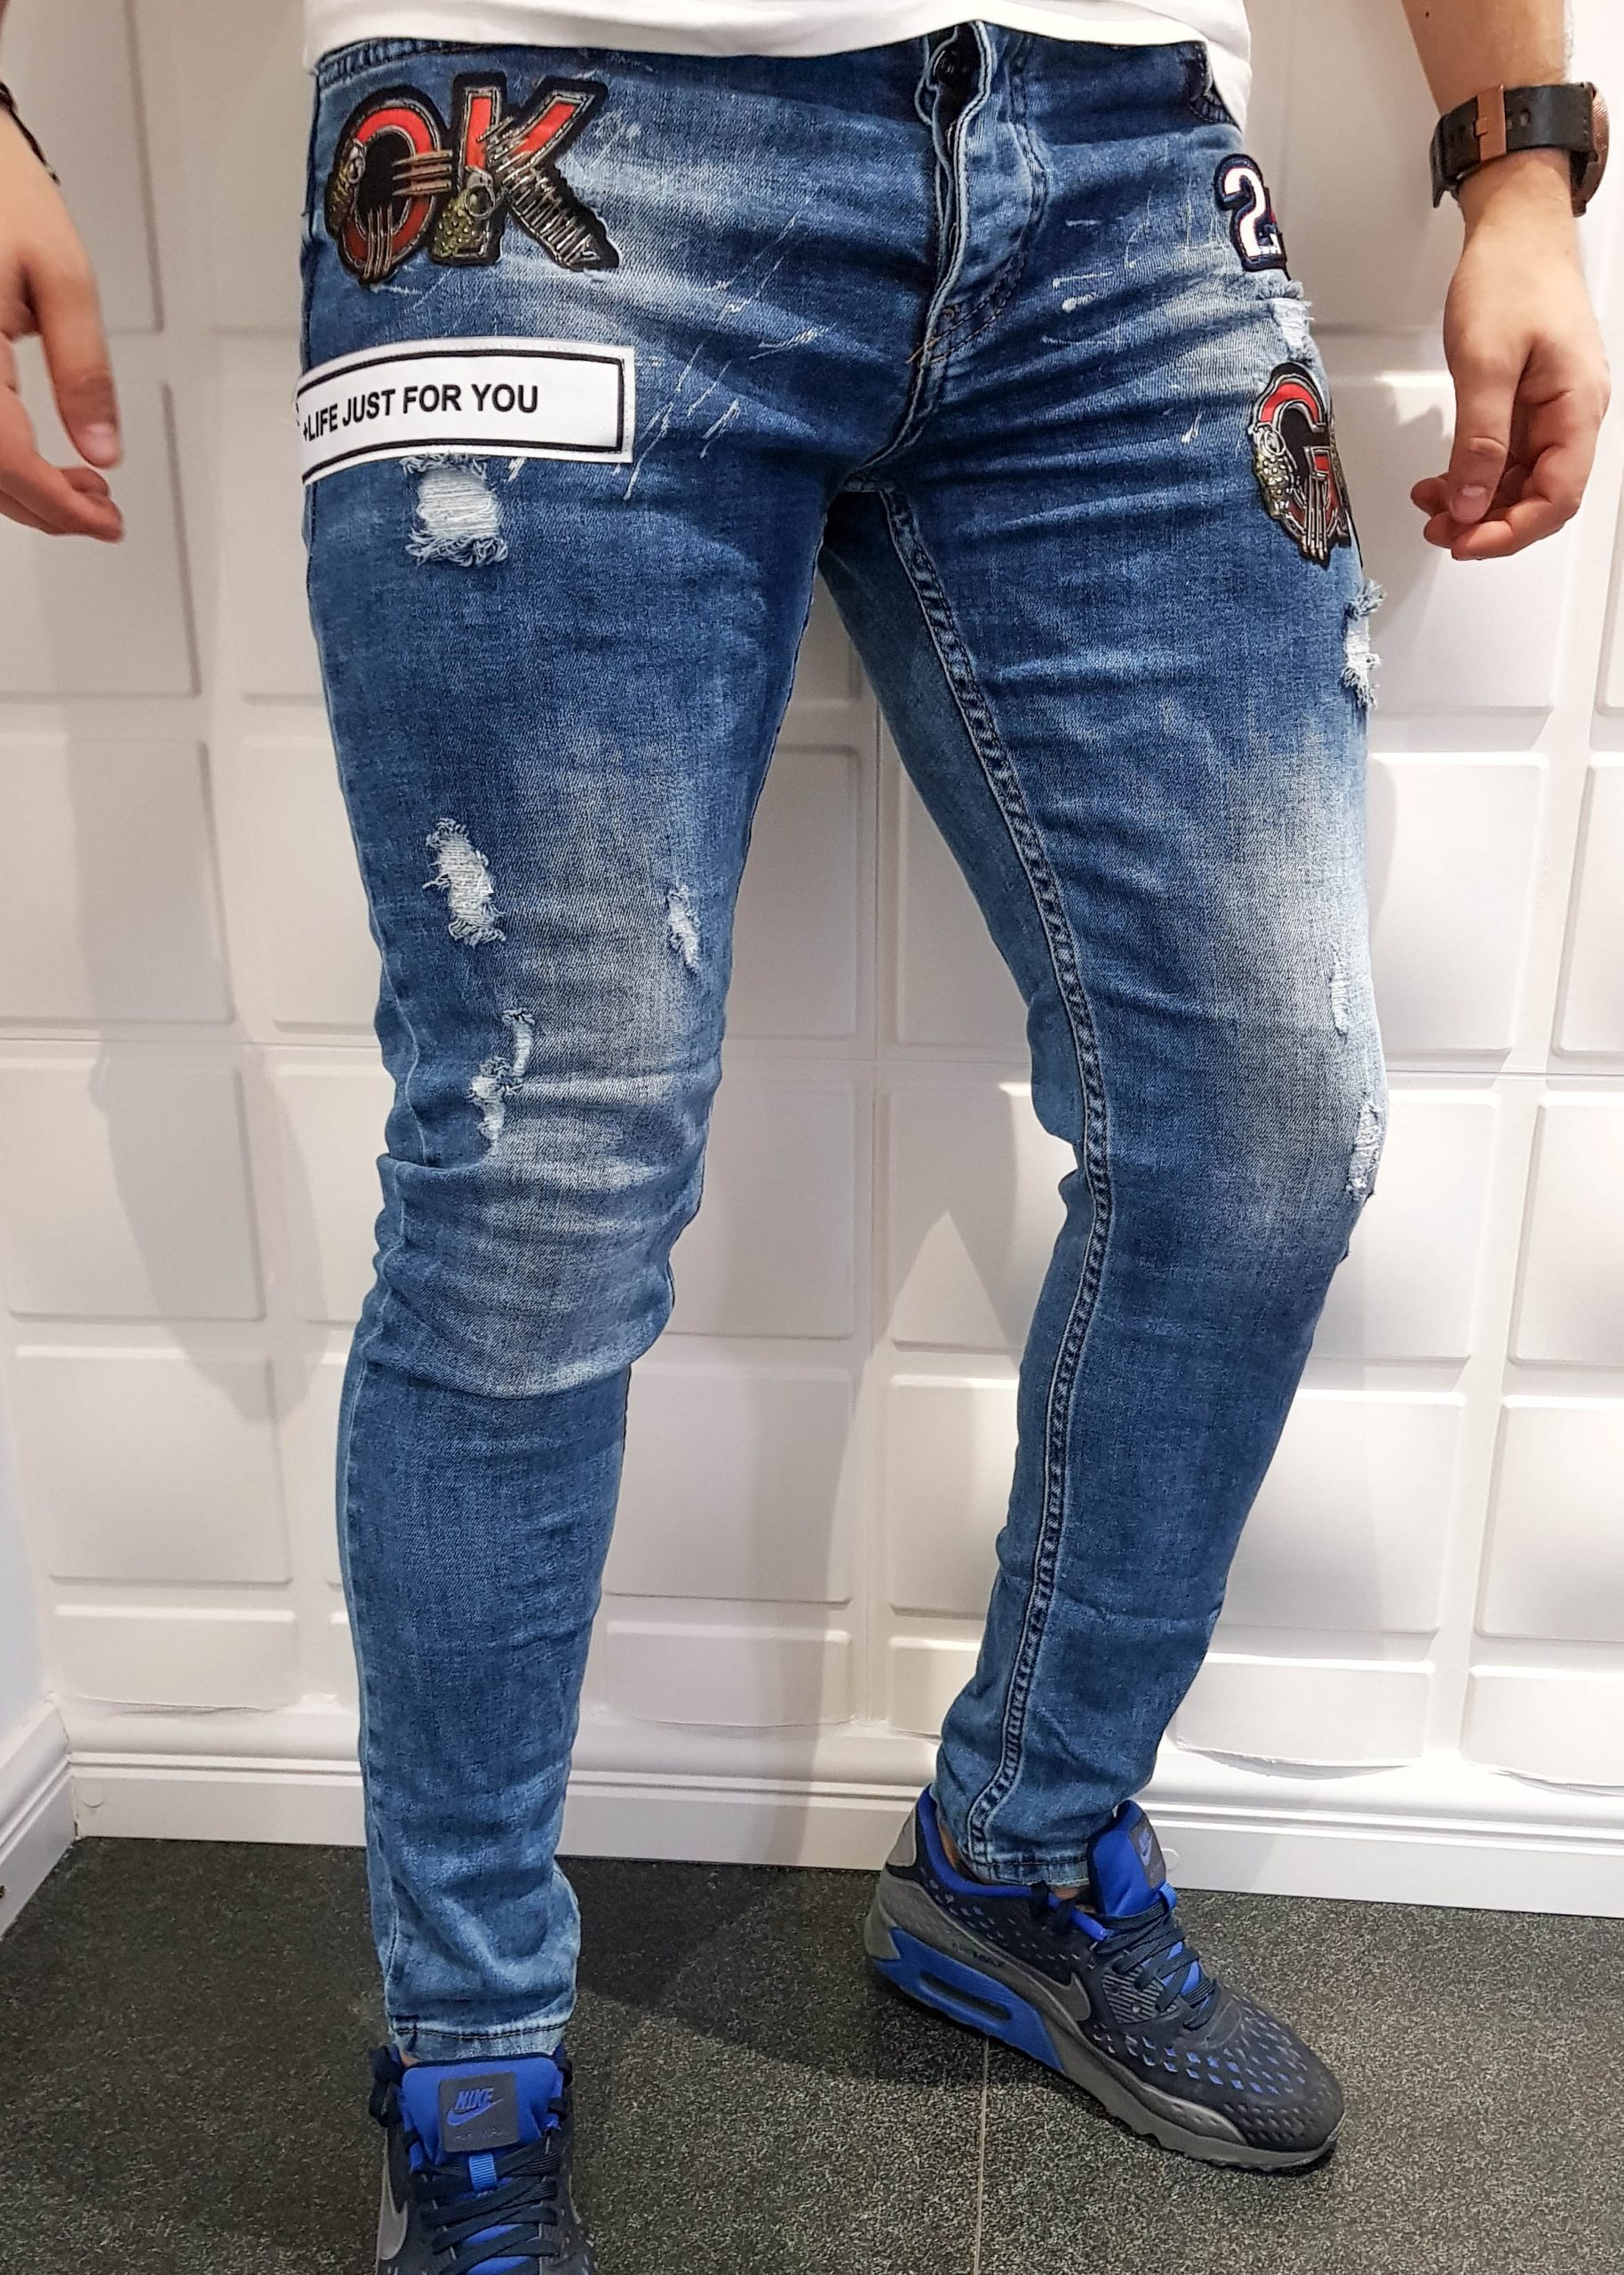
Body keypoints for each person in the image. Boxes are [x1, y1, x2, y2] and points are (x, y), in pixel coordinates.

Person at [1, 0, 1609, 2264]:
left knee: (1261, 1120)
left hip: (1120, 169)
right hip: (524, 151)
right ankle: (470, 2046)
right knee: (540, 1176)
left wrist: (1517, 152)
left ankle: (1015, 1858)